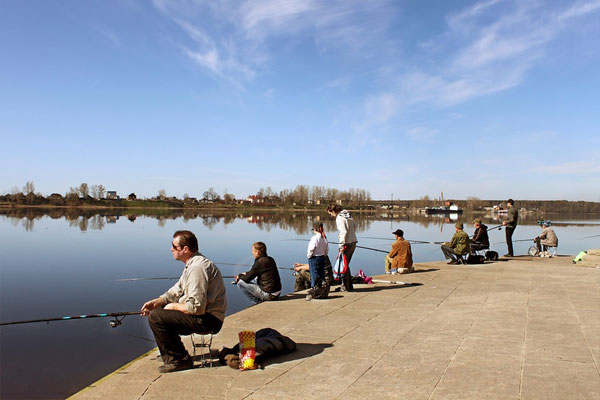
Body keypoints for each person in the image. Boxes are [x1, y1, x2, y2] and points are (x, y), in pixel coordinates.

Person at [141, 230, 227, 373]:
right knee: (158, 312)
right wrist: (159, 301)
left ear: (185, 249)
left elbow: (196, 307)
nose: (171, 249)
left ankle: (180, 360)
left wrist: (172, 306)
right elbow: (178, 289)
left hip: (208, 319)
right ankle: (170, 353)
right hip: (202, 315)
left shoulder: (198, 267)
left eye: (174, 247)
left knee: (157, 317)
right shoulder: (192, 264)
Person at [327, 204, 358, 291]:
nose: (331, 215)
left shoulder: (339, 218)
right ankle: (348, 285)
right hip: (353, 242)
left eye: (330, 213)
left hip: (346, 244)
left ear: (334, 211)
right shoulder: (348, 215)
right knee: (346, 264)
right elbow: (355, 226)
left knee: (344, 265)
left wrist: (341, 245)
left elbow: (343, 231)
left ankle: (346, 286)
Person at [306, 222, 329, 287]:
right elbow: (326, 250)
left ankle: (314, 289)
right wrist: (324, 254)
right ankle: (322, 289)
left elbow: (311, 249)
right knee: (322, 274)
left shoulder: (314, 238)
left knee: (314, 275)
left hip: (314, 258)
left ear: (315, 229)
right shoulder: (324, 238)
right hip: (322, 258)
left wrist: (309, 256)